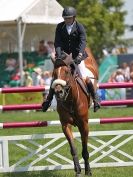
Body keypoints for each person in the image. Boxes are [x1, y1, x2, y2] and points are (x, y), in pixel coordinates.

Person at [42, 6, 100, 112]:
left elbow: (83, 42)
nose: (67, 20)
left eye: (69, 18)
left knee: (84, 76)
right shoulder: (60, 27)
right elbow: (58, 42)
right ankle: (48, 100)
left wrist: (79, 56)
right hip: (64, 56)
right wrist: (59, 56)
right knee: (57, 77)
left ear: (74, 17)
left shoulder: (79, 27)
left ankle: (95, 98)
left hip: (78, 55)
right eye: (65, 18)